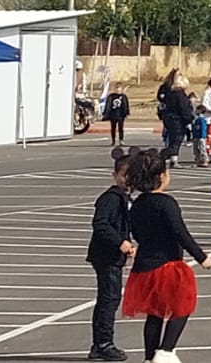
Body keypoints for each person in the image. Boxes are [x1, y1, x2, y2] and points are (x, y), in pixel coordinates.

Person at [119, 149, 211, 363]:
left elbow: (136, 232)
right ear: (162, 176)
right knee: (183, 305)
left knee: (155, 313)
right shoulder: (166, 203)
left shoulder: (137, 204)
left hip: (144, 267)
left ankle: (150, 356)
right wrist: (201, 257)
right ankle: (166, 350)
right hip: (168, 265)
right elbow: (180, 232)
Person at [87, 148, 137, 362]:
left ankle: (100, 343)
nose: (127, 180)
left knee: (109, 298)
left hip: (113, 256)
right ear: (115, 175)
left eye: (131, 176)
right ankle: (103, 343)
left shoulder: (125, 198)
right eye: (124, 175)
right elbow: (100, 224)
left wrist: (128, 242)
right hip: (105, 255)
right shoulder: (110, 198)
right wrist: (120, 242)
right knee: (109, 299)